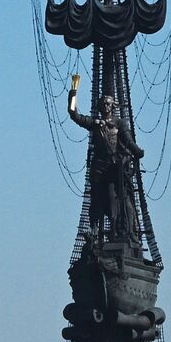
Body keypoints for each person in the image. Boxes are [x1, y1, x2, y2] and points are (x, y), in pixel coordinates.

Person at [69, 87, 145, 241]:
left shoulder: (120, 123)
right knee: (95, 199)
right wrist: (73, 96)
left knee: (112, 199)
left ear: (113, 106)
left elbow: (128, 141)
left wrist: (137, 151)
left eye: (108, 104)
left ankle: (117, 231)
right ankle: (94, 231)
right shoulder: (95, 123)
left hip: (113, 168)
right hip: (98, 167)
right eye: (103, 104)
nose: (105, 106)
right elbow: (75, 115)